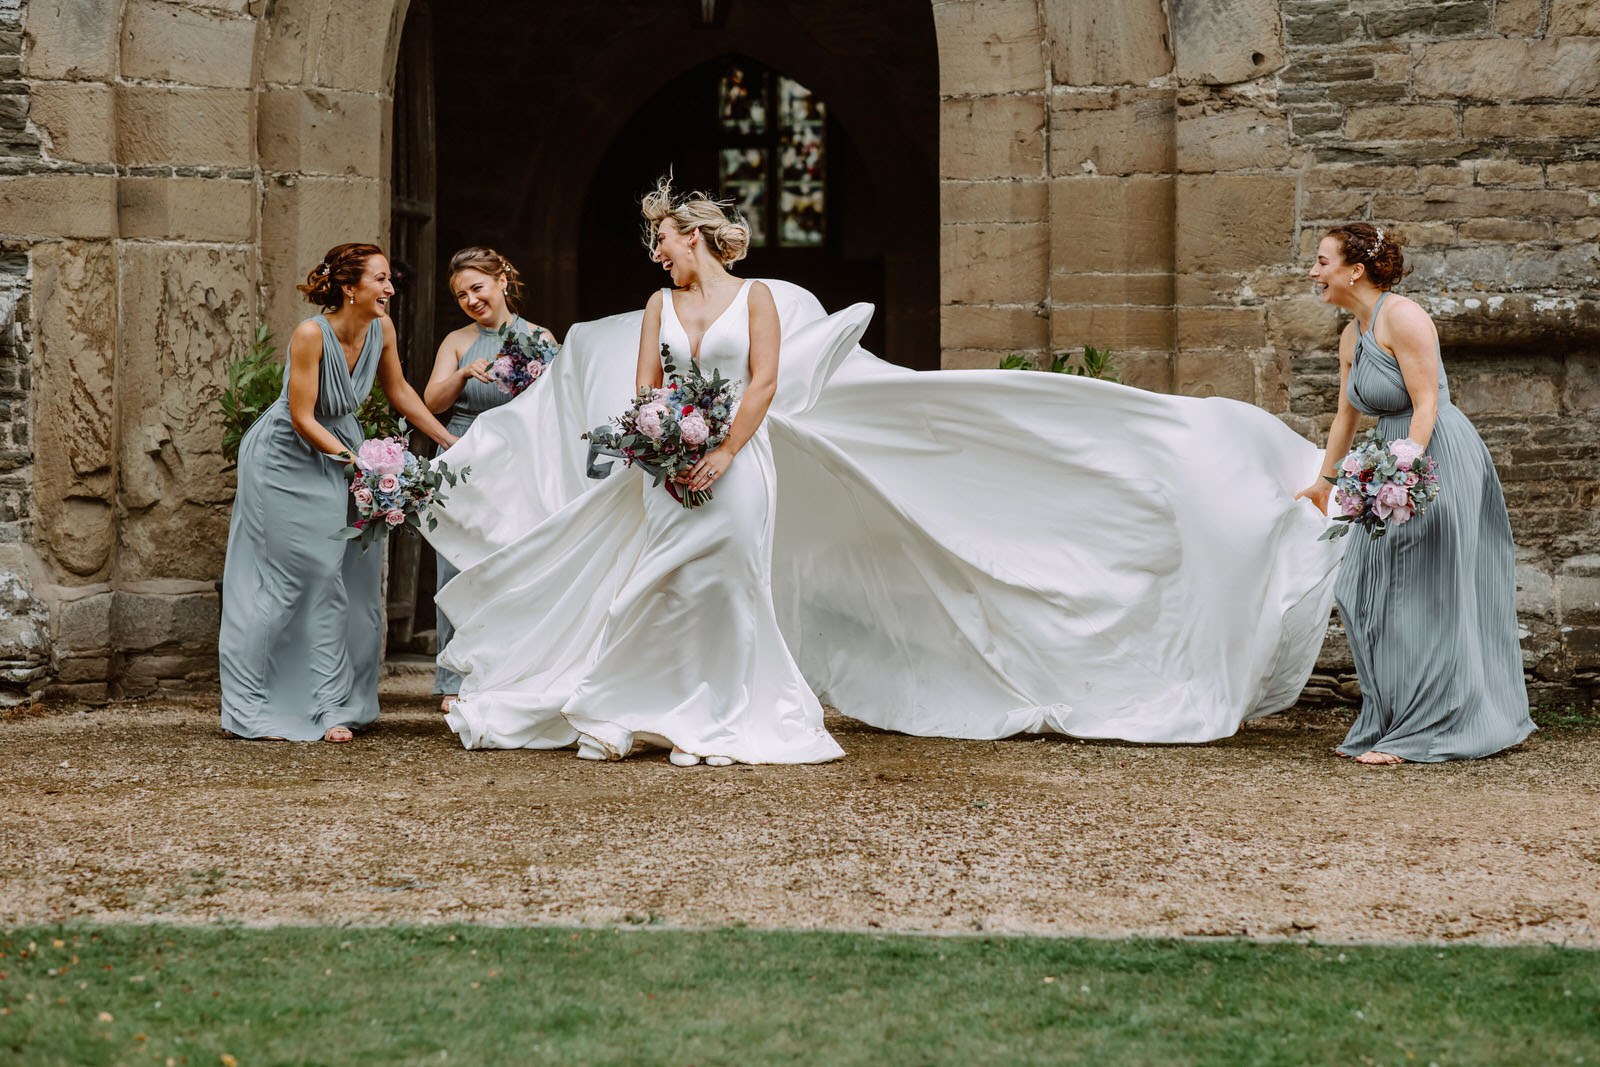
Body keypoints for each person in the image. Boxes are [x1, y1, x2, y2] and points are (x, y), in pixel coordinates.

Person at [425, 178, 1343, 757]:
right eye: (652, 243)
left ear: (692, 234)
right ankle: (657, 704)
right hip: (670, 465)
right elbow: (641, 389)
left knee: (733, 581)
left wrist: (726, 450)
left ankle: (737, 712)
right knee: (660, 583)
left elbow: (766, 382)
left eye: (662, 238)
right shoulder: (657, 307)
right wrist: (662, 442)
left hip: (737, 465)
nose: (656, 251)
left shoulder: (761, 301)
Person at [1298, 223, 1534, 763]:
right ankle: (1392, 719)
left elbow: (1426, 403)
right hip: (1386, 456)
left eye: (1321, 261)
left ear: (1354, 270)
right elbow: (1346, 416)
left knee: (1428, 591)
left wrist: (1406, 467)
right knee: (1360, 588)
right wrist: (1326, 481)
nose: (1314, 272)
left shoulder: (1402, 316)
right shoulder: (1351, 334)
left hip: (1435, 454)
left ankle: (1427, 730)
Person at [219, 243, 459, 742]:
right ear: (349, 288)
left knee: (351, 576)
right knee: (301, 578)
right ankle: (258, 704)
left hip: (344, 451)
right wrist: (361, 464)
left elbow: (400, 393)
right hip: (285, 458)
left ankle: (337, 703)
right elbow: (303, 417)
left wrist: (448, 440)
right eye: (380, 279)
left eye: (390, 279)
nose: (390, 289)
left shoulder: (382, 329)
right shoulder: (311, 334)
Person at [422, 247, 557, 701]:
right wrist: (462, 375)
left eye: (477, 288)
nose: (471, 300)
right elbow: (431, 403)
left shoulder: (541, 339)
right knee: (457, 568)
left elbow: (557, 409)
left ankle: (508, 677)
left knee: (512, 567)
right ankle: (453, 680)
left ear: (502, 279)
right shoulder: (457, 341)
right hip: (463, 461)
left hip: (517, 464)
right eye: (461, 294)